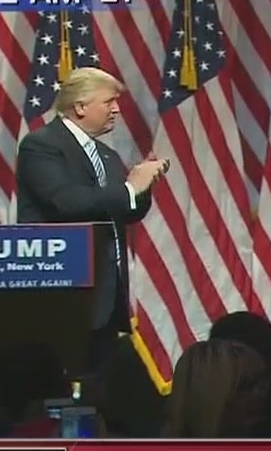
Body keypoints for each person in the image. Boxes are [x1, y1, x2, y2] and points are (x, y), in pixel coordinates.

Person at [14, 67, 166, 375]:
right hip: (63, 296)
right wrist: (129, 188)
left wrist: (142, 186)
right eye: (109, 101)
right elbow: (67, 202)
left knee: (99, 387)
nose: (117, 109)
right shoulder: (42, 146)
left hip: (105, 298)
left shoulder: (105, 154)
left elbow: (125, 210)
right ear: (81, 106)